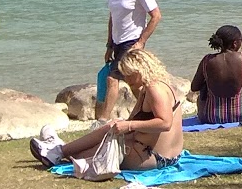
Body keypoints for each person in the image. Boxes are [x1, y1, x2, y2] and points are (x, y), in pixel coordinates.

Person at [33, 48, 182, 175]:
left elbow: (165, 123)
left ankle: (59, 151)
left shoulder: (154, 89)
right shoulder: (161, 85)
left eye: (130, 74)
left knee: (91, 151)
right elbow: (133, 120)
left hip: (153, 158)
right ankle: (60, 149)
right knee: (113, 126)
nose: (127, 80)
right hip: (165, 155)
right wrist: (123, 126)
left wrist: (129, 126)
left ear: (141, 70)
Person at [98, 0, 160, 121]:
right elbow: (113, 17)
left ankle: (102, 121)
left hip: (132, 42)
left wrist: (140, 42)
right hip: (117, 42)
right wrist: (109, 45)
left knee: (113, 79)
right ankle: (154, 111)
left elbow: (156, 16)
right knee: (134, 83)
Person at [189, 25, 242, 124]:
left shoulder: (207, 60)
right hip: (239, 115)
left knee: (203, 90)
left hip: (212, 117)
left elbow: (194, 87)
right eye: (241, 40)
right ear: (235, 43)